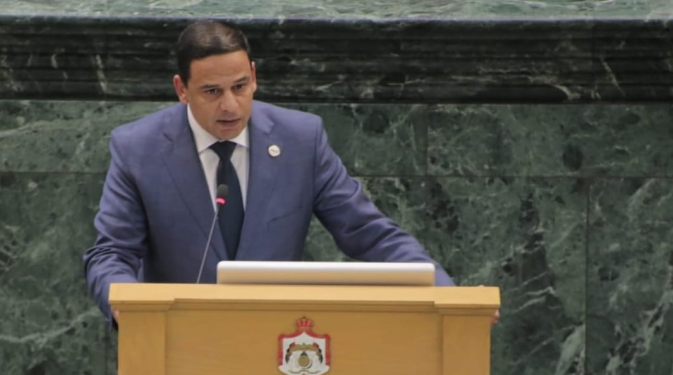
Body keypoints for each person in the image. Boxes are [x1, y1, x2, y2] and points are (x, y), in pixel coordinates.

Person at [83, 19, 454, 326]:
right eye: (212, 92)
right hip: (175, 344)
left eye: (240, 86)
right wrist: (131, 309)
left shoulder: (300, 140)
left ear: (254, 76)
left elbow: (369, 233)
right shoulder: (139, 149)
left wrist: (446, 295)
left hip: (279, 343)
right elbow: (111, 253)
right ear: (182, 89)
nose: (230, 105)